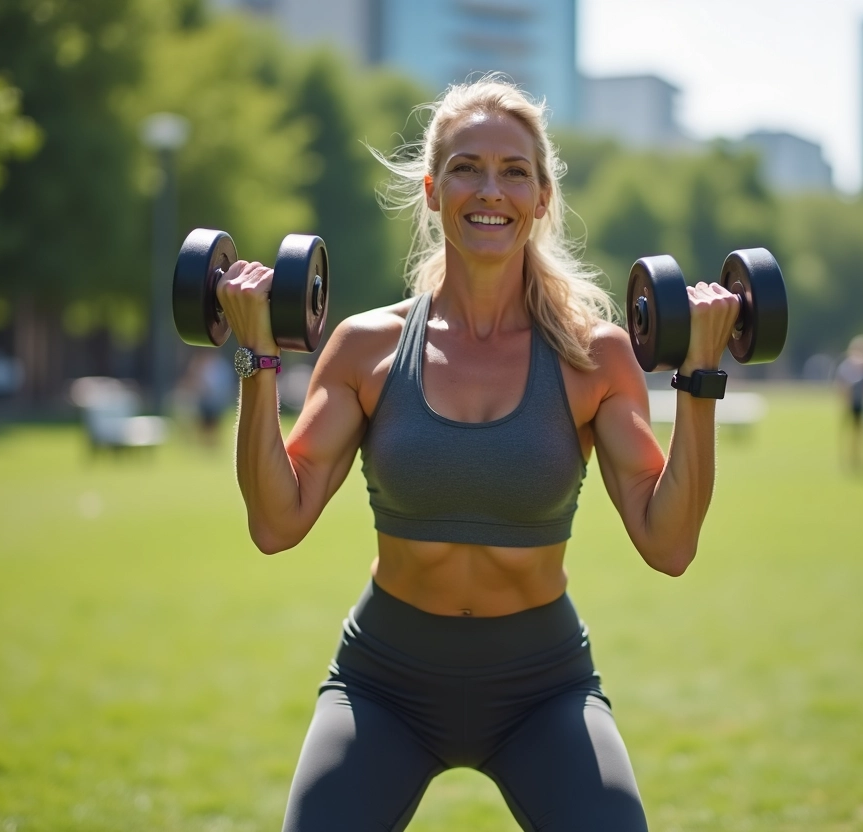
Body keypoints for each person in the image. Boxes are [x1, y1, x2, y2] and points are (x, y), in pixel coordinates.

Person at [214, 76, 741, 831]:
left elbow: (671, 543)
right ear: (433, 191)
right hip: (385, 682)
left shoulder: (596, 357)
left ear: (542, 197)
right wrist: (258, 354)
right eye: (465, 167)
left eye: (513, 170)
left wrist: (700, 377)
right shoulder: (366, 348)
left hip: (541, 687)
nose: (488, 189)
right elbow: (276, 522)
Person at [836, 334, 863, 470]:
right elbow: (843, 385)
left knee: (858, 432)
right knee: (850, 431)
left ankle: (856, 457)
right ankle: (849, 457)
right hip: (851, 402)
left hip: (859, 402)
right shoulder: (849, 365)